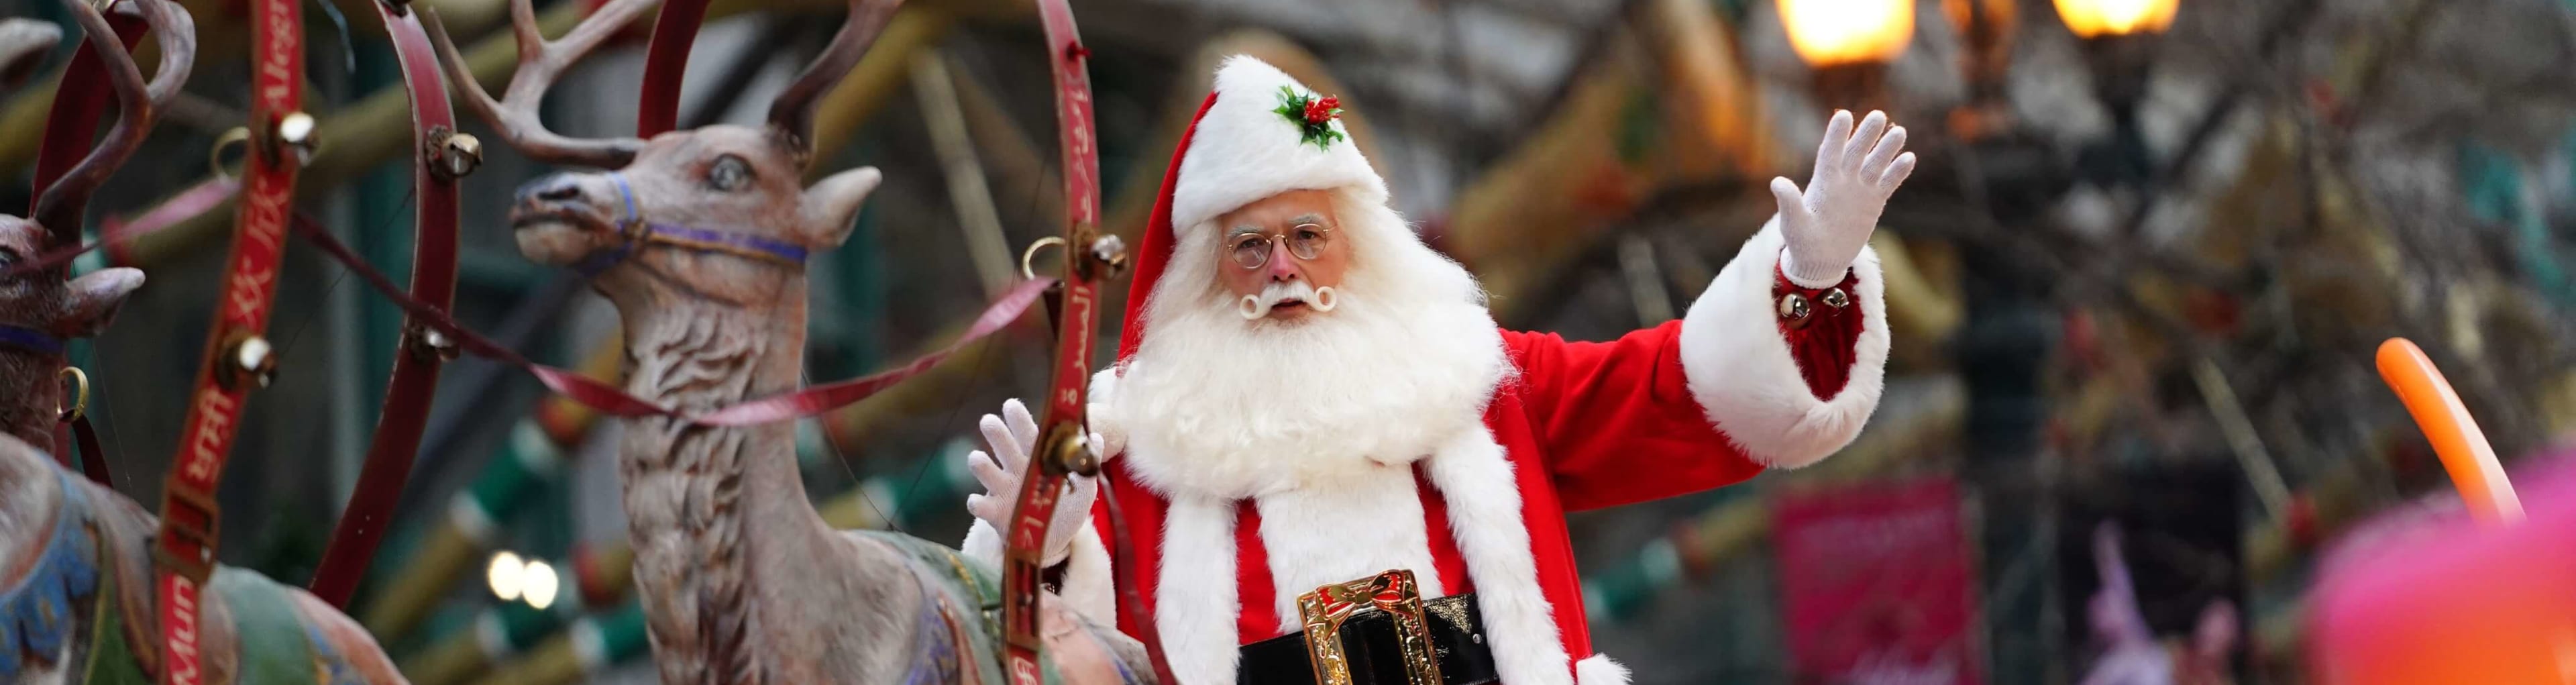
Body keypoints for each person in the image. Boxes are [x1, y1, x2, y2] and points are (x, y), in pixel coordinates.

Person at [961, 55, 1913, 684]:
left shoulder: (1476, 382)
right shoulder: (1133, 443)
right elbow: (1024, 651)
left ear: (1360, 248)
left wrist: (1809, 277)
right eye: (1250, 248)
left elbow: (1671, 392)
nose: (1284, 268)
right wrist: (1035, 548)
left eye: (1306, 236)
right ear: (1206, 275)